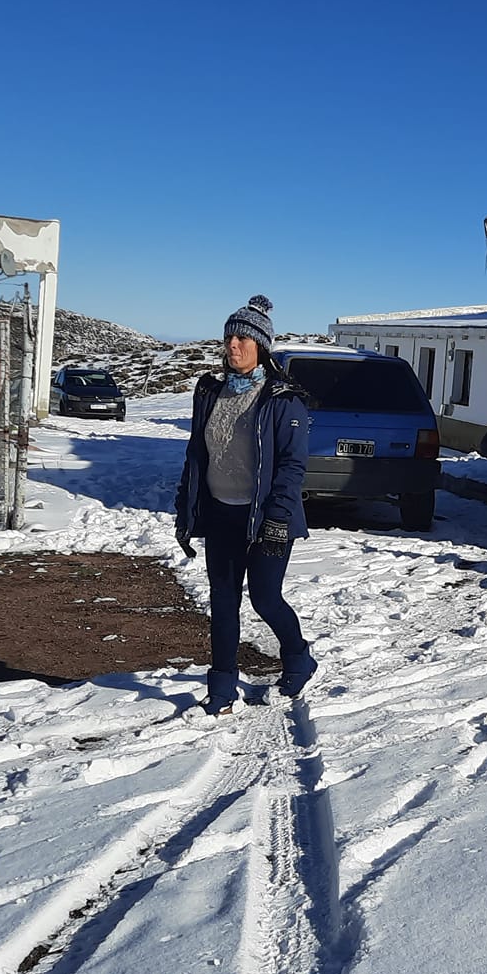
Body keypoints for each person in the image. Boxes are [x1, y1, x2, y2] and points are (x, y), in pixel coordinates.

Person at [174, 295, 317, 712]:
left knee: (265, 599)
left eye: (242, 338)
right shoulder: (211, 393)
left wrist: (278, 518)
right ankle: (220, 689)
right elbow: (196, 455)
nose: (233, 345)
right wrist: (186, 509)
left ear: (261, 346)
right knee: (222, 602)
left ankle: (298, 656)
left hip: (266, 518)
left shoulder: (282, 398)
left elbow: (292, 465)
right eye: (229, 337)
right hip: (222, 514)